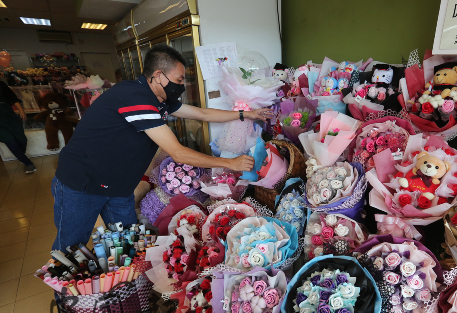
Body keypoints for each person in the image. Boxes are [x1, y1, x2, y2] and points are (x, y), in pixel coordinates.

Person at [52, 44, 272, 252]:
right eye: (179, 79)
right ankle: (62, 293)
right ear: (158, 76)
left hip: (118, 185)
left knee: (127, 246)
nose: (181, 86)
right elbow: (178, 152)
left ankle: (124, 290)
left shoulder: (159, 98)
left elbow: (202, 114)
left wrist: (246, 114)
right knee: (72, 249)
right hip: (83, 182)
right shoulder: (135, 98)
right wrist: (230, 163)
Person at [0, 81, 36, 173]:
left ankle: (21, 156)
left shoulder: (1, 84)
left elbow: (13, 98)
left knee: (22, 140)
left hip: (10, 117)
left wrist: (21, 111)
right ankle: (28, 164)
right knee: (11, 142)